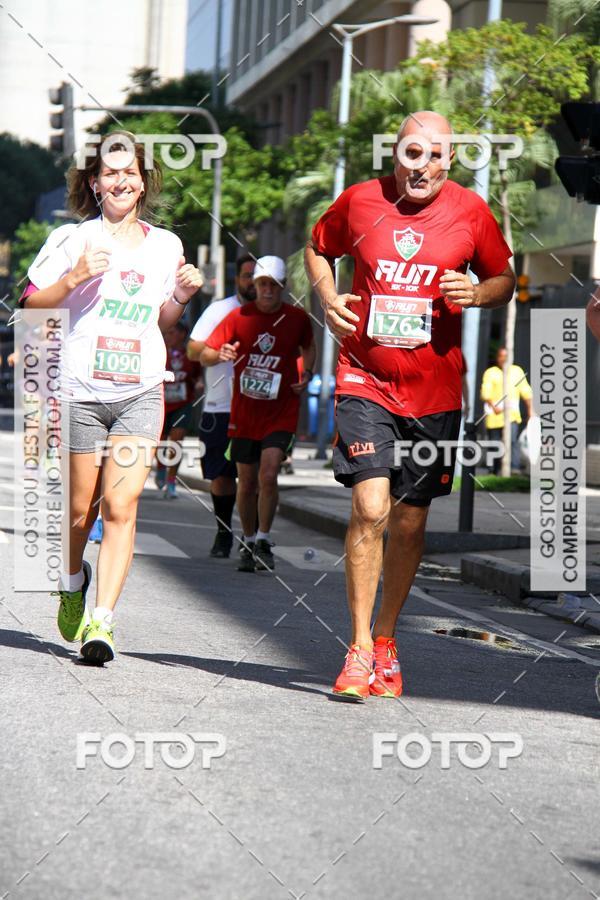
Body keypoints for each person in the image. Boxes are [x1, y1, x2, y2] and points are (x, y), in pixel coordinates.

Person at [305, 110, 515, 701]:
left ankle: (388, 637)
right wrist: (326, 295)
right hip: (364, 377)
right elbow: (317, 247)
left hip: (435, 391)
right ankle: (358, 648)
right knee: (370, 506)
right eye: (411, 154)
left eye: (434, 156)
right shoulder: (360, 201)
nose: (422, 166)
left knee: (410, 519)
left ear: (449, 160)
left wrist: (476, 292)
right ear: (394, 155)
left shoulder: (471, 212)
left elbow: (505, 279)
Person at [20, 131, 203, 664]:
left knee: (121, 506)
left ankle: (102, 622)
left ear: (143, 182)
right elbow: (33, 308)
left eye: (131, 173)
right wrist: (74, 277)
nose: (121, 181)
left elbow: (162, 323)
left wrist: (181, 298)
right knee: (81, 511)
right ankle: (73, 580)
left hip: (141, 391)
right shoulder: (72, 240)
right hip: (81, 388)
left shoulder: (166, 245)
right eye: (110, 173)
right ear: (95, 183)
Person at [200, 255, 315, 572]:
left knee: (268, 474)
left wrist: (308, 374)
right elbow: (207, 353)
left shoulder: (297, 318)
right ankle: (248, 539)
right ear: (255, 285)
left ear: (282, 287)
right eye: (262, 284)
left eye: (273, 285)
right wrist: (219, 353)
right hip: (245, 413)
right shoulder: (238, 317)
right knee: (246, 483)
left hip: (280, 411)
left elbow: (309, 346)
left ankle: (263, 539)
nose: (267, 291)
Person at [187, 255, 256, 556]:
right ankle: (224, 531)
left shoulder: (280, 314)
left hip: (259, 408)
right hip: (220, 405)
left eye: (259, 277)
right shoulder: (221, 310)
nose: (253, 282)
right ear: (237, 280)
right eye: (247, 276)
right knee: (222, 475)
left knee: (255, 476)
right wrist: (218, 351)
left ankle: (253, 538)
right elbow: (193, 350)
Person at [156, 321, 203, 499]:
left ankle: (171, 480)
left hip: (182, 403)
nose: (169, 335)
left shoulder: (189, 354)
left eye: (173, 332)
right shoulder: (157, 350)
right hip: (160, 402)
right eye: (167, 333)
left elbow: (197, 373)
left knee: (177, 440)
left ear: (183, 334)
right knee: (160, 441)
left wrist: (199, 382)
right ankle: (161, 468)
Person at [481, 347, 533, 475]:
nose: (503, 359)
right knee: (494, 443)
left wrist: (530, 411)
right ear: (497, 358)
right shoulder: (491, 372)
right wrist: (493, 406)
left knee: (512, 441)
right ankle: (493, 470)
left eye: (506, 356)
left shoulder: (517, 371)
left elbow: (526, 392)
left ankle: (513, 468)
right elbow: (485, 392)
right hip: (494, 415)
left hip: (512, 415)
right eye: (501, 356)